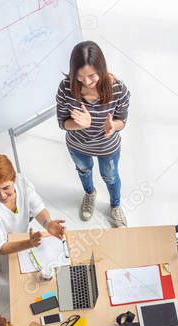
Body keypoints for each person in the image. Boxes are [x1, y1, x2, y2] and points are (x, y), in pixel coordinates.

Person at [0, 154, 66, 316]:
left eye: (6, 188)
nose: (2, 195)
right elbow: (0, 247)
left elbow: (38, 208)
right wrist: (29, 243)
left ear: (14, 179)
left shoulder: (22, 183)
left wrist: (48, 223)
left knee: (45, 279)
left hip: (19, 243)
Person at [56, 41, 131, 227]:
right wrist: (81, 125)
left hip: (107, 146)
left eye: (91, 75)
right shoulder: (66, 88)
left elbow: (122, 120)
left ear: (101, 68)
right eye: (80, 77)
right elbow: (62, 123)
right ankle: (90, 194)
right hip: (78, 145)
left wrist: (113, 126)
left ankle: (115, 206)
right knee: (84, 170)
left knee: (111, 177)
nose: (87, 82)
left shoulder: (118, 89)